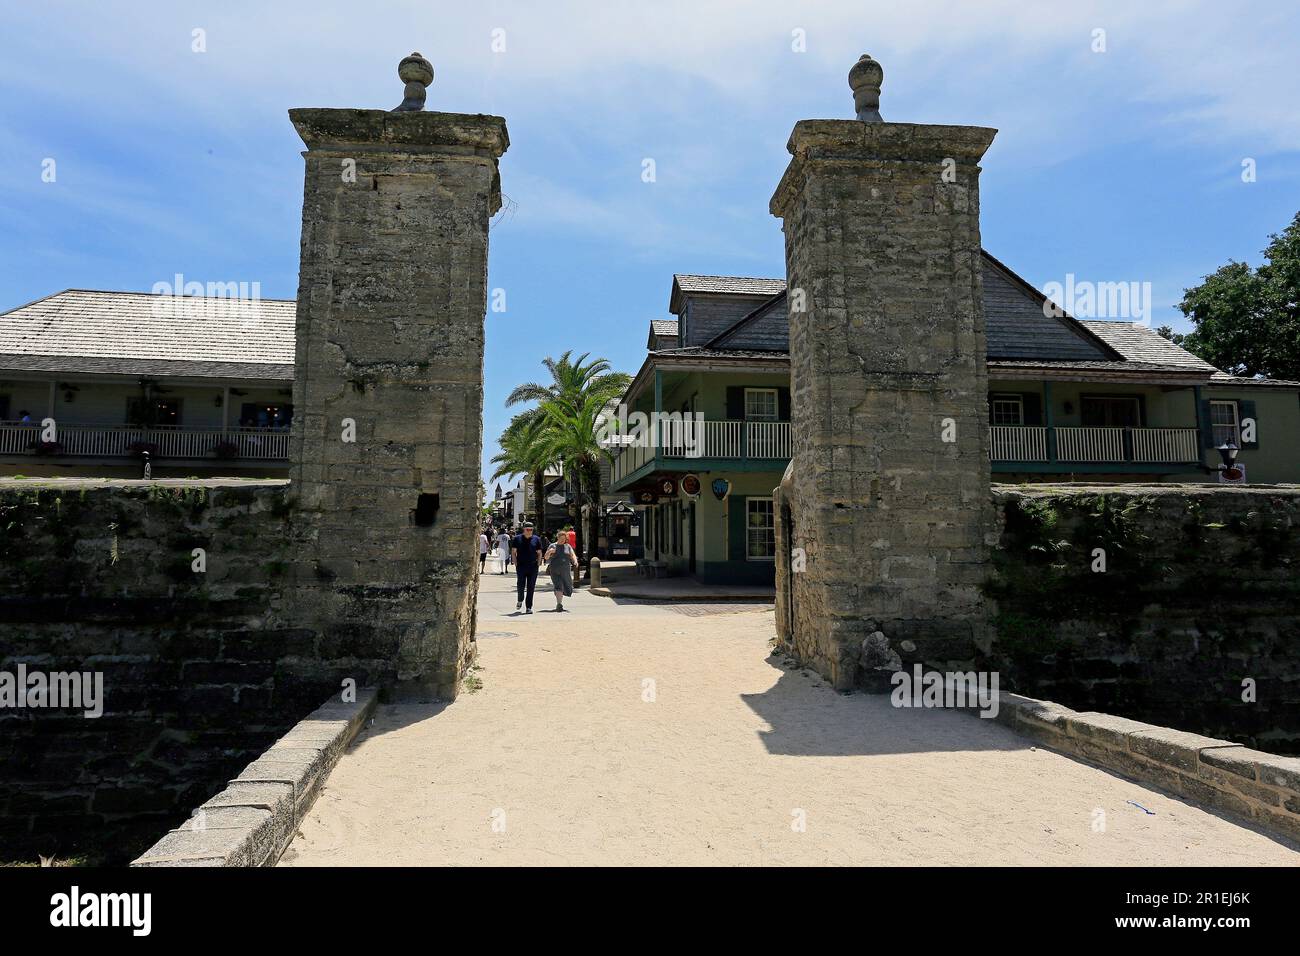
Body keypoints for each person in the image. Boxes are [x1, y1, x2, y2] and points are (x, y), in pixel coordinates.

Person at [510, 522, 548, 614]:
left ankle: (528, 607)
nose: (529, 531)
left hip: (533, 566)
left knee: (531, 587)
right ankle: (520, 599)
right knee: (520, 585)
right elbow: (513, 552)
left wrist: (538, 563)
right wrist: (515, 563)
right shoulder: (517, 539)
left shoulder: (536, 539)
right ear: (524, 529)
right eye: (527, 529)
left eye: (531, 529)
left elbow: (539, 552)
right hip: (521, 566)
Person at [544, 533, 579, 612]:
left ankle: (559, 599)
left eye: (564, 539)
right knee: (558, 585)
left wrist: (575, 561)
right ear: (558, 537)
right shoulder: (553, 546)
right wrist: (549, 552)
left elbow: (572, 554)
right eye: (561, 539)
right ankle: (559, 604)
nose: (563, 540)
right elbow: (546, 557)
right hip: (555, 569)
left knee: (567, 585)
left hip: (565, 569)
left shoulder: (567, 546)